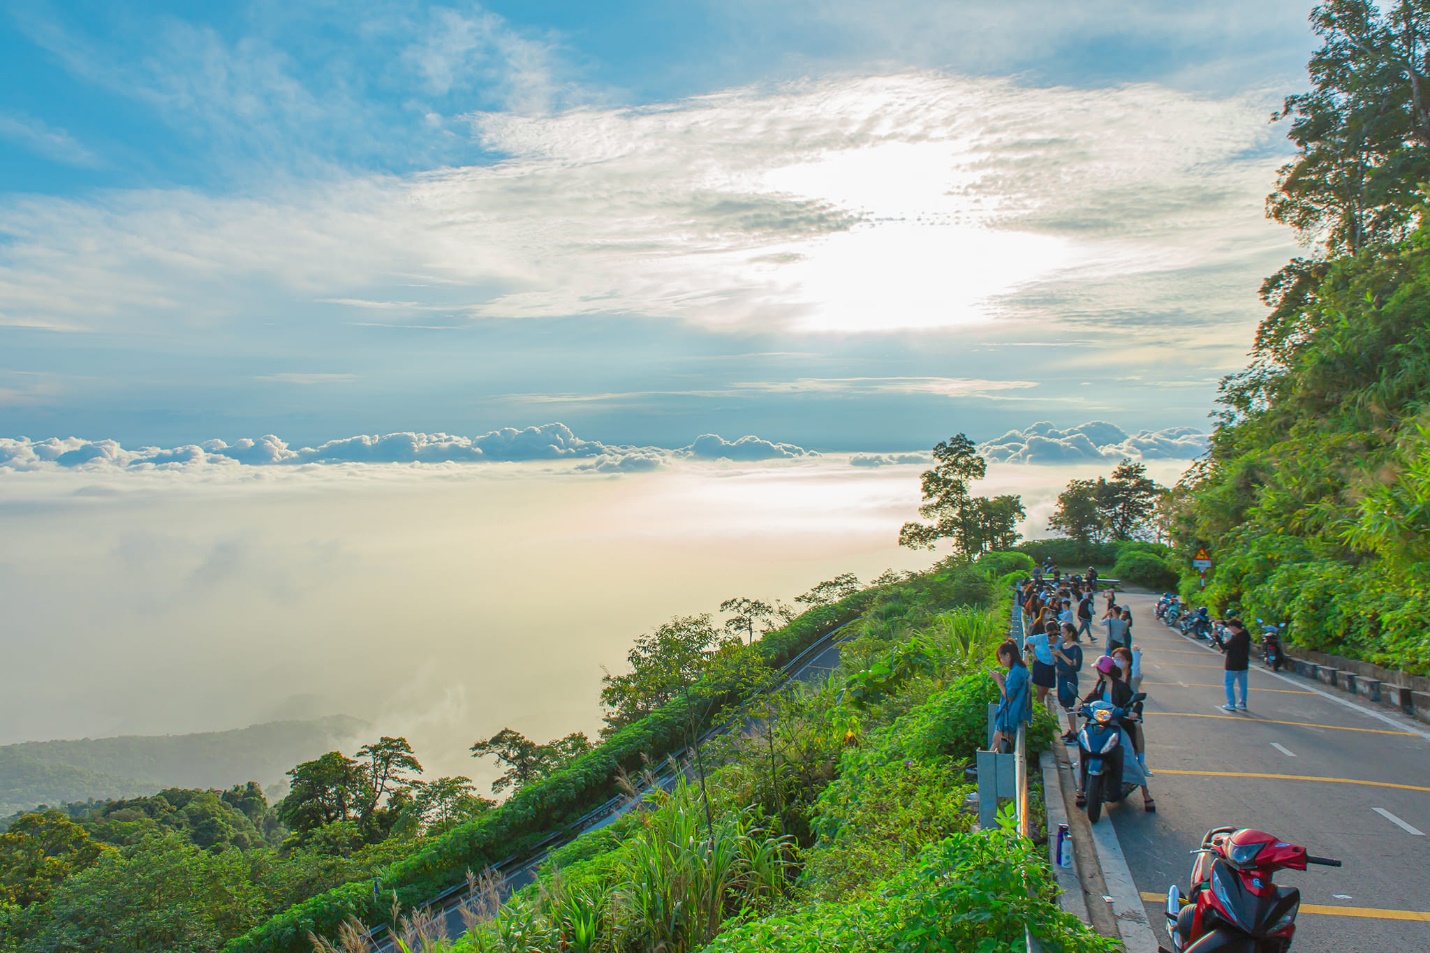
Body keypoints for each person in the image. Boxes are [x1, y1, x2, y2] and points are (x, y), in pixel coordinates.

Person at [1079, 656, 1155, 812]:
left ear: (1102, 671)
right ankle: (1080, 789)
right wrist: (1080, 706)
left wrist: (1133, 712)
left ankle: (1146, 794)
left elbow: (1134, 703)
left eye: (1098, 670)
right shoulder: (1101, 684)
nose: (1097, 672)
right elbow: (1092, 698)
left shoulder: (1121, 686)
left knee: (1128, 757)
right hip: (1099, 724)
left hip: (1116, 725)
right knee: (1082, 750)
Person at [991, 639, 1031, 752]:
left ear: (1008, 655)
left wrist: (998, 681)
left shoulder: (1015, 672)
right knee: (997, 744)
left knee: (997, 744)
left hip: (1010, 715)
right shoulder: (1020, 668)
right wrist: (1004, 679)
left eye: (1002, 657)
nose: (1002, 661)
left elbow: (1008, 696)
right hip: (1013, 713)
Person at [1054, 623, 1083, 742]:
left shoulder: (1075, 648)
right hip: (1061, 677)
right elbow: (1059, 661)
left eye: (1064, 632)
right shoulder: (1062, 646)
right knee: (1064, 705)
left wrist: (1061, 655)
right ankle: (1072, 730)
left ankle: (1074, 732)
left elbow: (1075, 665)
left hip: (1069, 678)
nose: (1062, 635)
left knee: (1069, 704)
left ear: (1071, 633)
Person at [1025, 621, 1058, 707]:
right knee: (1040, 693)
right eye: (1050, 635)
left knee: (1045, 691)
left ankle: (1041, 708)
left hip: (1050, 667)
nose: (1053, 637)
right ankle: (1042, 711)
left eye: (1055, 634)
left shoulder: (1060, 640)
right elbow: (1028, 640)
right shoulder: (1041, 638)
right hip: (1040, 665)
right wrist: (1034, 653)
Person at [1222, 617, 1251, 711]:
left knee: (1228, 683)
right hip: (1243, 664)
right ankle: (1242, 703)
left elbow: (1224, 646)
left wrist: (1216, 637)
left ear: (1234, 627)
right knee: (1243, 684)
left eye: (1230, 628)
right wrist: (1223, 622)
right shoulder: (1245, 634)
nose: (1230, 630)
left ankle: (1231, 704)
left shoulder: (1236, 639)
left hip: (1232, 664)